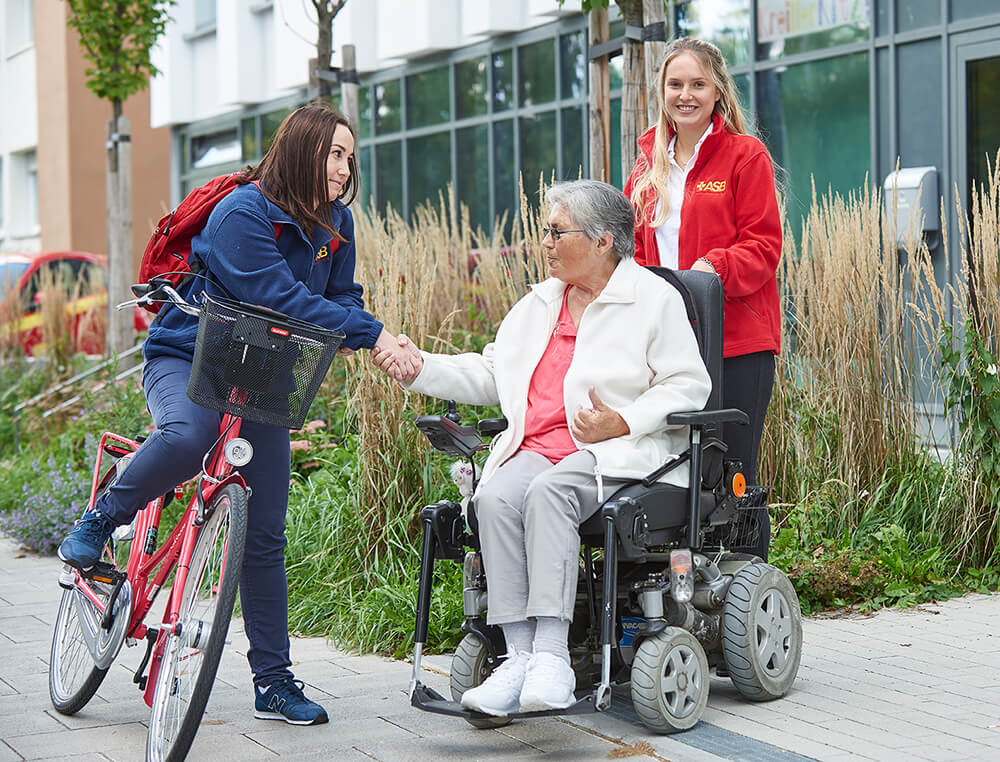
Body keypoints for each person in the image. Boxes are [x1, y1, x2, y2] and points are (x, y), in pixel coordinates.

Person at [57, 103, 416, 726]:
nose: (344, 167)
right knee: (188, 436)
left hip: (261, 376)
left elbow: (338, 297)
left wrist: (365, 324)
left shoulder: (338, 222)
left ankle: (273, 685)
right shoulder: (240, 214)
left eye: (350, 157)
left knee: (264, 533)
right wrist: (373, 335)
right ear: (302, 150)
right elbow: (282, 297)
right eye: (334, 153)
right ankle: (99, 521)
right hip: (188, 355)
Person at [374, 180, 711, 716]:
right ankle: (518, 657)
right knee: (493, 497)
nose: (545, 242)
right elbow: (491, 372)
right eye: (545, 231)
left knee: (550, 492)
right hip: (537, 448)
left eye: (557, 231)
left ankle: (552, 655)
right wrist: (422, 368)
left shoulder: (652, 300)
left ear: (603, 241)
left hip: (617, 454)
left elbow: (688, 385)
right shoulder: (539, 304)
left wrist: (621, 420)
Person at [624, 37, 781, 561]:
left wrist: (711, 269)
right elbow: (634, 254)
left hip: (738, 344)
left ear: (718, 90)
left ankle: (748, 594)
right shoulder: (647, 166)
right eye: (675, 84)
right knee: (674, 470)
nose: (685, 95)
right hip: (668, 348)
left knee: (733, 473)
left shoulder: (744, 156)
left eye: (697, 84)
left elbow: (763, 246)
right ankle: (689, 598)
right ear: (661, 91)